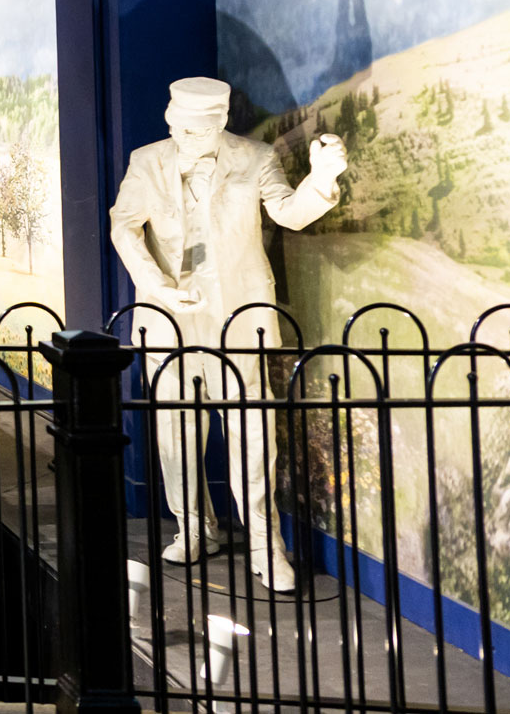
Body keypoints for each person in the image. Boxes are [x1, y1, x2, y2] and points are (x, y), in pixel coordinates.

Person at [107, 76, 348, 591]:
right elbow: (123, 226)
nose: (186, 137)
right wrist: (156, 287)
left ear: (220, 123)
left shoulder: (255, 158)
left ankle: (266, 545)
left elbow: (289, 213)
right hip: (171, 316)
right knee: (175, 431)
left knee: (251, 432)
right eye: (179, 127)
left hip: (237, 315)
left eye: (198, 130)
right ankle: (194, 527)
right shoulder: (146, 160)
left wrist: (321, 180)